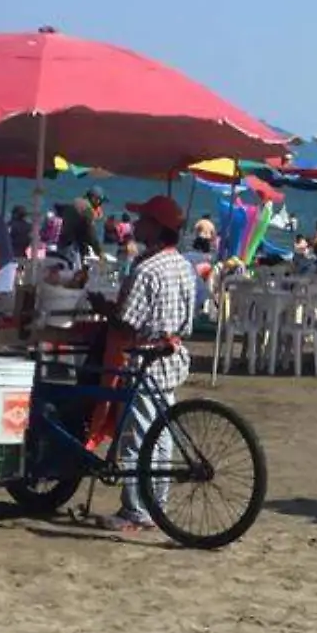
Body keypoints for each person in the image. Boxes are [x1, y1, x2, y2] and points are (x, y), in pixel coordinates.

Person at [88, 196, 198, 534]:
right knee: (161, 435)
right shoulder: (183, 265)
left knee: (137, 436)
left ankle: (136, 510)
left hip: (146, 358)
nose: (135, 224)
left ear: (155, 227)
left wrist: (105, 309)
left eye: (143, 220)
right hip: (172, 355)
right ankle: (155, 506)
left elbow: (126, 326)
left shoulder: (146, 269)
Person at [57, 187, 107, 263]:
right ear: (94, 198)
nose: (100, 204)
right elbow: (91, 233)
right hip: (73, 246)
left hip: (62, 242)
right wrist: (99, 252)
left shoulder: (76, 202)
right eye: (100, 201)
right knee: (75, 271)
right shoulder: (87, 209)